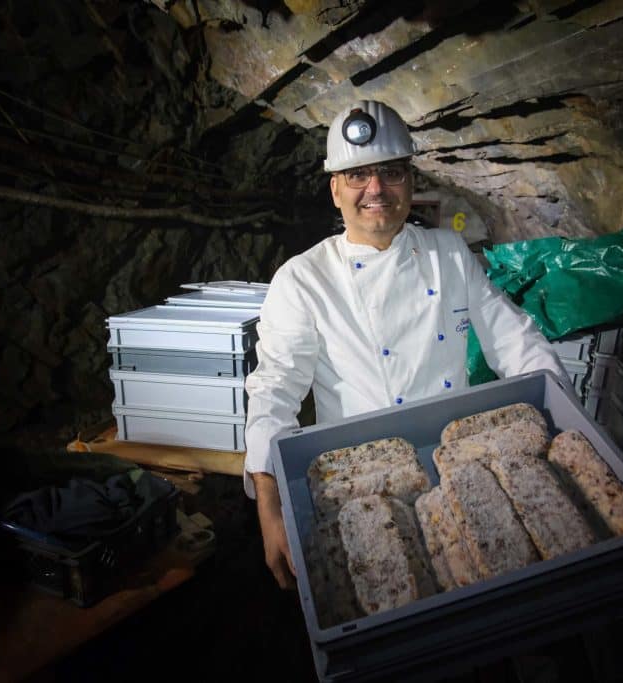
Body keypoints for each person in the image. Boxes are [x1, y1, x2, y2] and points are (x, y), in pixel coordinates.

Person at [243, 100, 570, 589]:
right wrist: (270, 509)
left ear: (410, 182)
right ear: (335, 190)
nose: (375, 189)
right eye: (357, 176)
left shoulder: (449, 253)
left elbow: (512, 338)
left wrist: (568, 420)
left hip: (461, 469)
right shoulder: (302, 280)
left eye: (390, 172)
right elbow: (274, 391)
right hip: (360, 487)